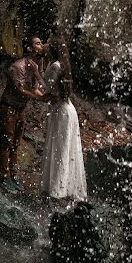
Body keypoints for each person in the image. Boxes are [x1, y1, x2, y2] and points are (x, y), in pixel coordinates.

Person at [41, 36, 87, 201]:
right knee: (66, 148)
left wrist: (34, 76)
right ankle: (62, 187)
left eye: (47, 45)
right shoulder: (61, 65)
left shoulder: (55, 66)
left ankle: (57, 188)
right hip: (66, 110)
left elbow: (48, 92)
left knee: (60, 149)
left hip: (61, 112)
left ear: (52, 49)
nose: (44, 47)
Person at [0, 36, 45, 194]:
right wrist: (38, 97)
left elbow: (36, 88)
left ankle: (13, 174)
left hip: (20, 109)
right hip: (8, 108)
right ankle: (3, 175)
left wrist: (46, 98)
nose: (41, 45)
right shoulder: (18, 66)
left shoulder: (35, 67)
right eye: (38, 43)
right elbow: (20, 89)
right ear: (30, 48)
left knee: (16, 143)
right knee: (7, 142)